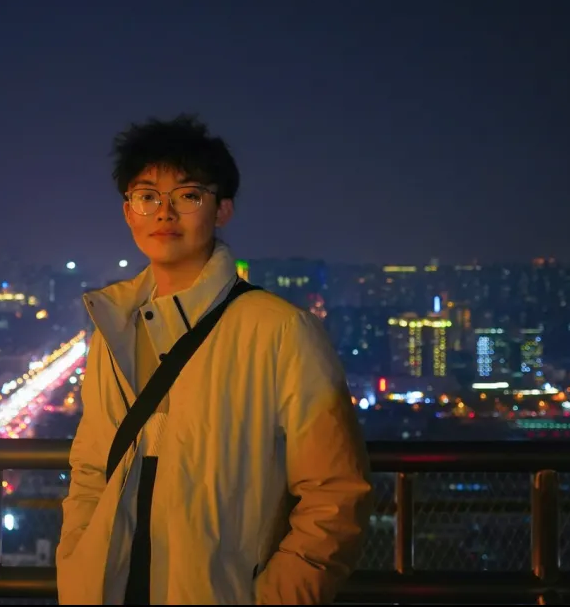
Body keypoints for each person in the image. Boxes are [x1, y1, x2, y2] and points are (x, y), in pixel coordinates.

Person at [56, 114, 374, 605]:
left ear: (222, 209)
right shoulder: (112, 332)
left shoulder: (281, 331)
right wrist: (77, 566)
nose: (164, 213)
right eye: (147, 196)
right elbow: (90, 470)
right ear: (128, 211)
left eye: (187, 195)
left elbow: (335, 494)